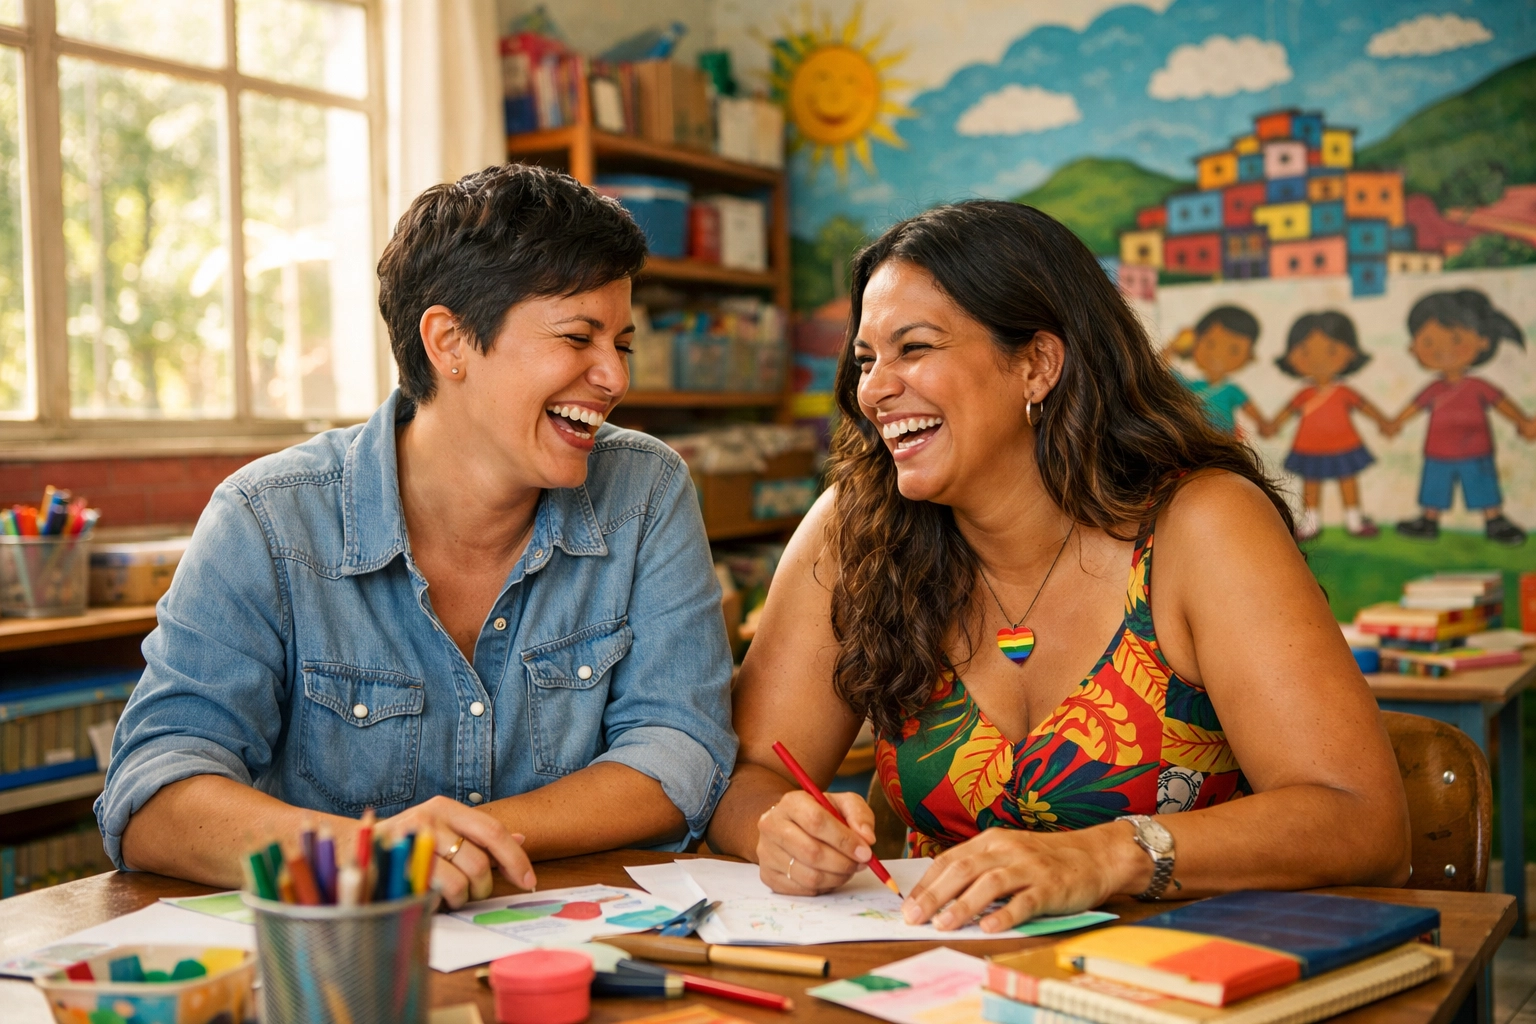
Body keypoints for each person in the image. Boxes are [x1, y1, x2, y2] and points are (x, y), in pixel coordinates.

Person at [706, 201, 1409, 933]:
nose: (874, 389)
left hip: (1185, 980)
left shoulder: (1201, 526)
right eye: (865, 359)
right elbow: (742, 776)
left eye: (913, 348)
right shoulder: (856, 531)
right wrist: (778, 830)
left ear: (1037, 364)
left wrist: (1106, 856)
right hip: (940, 979)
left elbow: (1362, 822)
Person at [97, 165, 738, 908]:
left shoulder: (647, 491)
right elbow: (155, 787)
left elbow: (679, 752)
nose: (613, 377)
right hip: (339, 964)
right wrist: (373, 856)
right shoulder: (267, 518)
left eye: (620, 344)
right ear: (450, 340)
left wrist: (458, 840)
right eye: (577, 337)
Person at [1387, 290, 1535, 546]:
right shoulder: (1434, 389)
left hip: (1475, 450)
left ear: (1483, 342)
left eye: (1456, 338)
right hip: (1438, 452)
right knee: (1434, 487)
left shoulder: (1478, 386)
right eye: (1429, 342)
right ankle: (1428, 521)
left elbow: (1502, 404)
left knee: (1482, 486)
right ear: (1414, 347)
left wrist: (1522, 421)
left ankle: (1494, 520)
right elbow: (1414, 406)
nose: (1443, 349)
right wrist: (1395, 422)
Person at [1260, 311, 1392, 540]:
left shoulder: (1343, 392)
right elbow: (1287, 411)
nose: (1319, 359)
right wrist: (1272, 425)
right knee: (1311, 484)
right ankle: (1311, 523)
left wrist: (1383, 421)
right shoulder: (1304, 394)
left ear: (1350, 353)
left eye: (1331, 350)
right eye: (1305, 351)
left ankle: (1354, 520)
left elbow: (1365, 406)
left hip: (1344, 444)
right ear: (1291, 357)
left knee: (1348, 480)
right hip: (1309, 446)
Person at [1161, 305, 1266, 436]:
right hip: (1199, 440)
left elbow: (1248, 408)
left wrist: (1262, 423)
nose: (1218, 355)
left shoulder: (1232, 391)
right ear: (1195, 344)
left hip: (1225, 441)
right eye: (1210, 344)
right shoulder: (1193, 386)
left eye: (1234, 350)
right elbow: (1161, 368)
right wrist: (1172, 347)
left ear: (1249, 356)